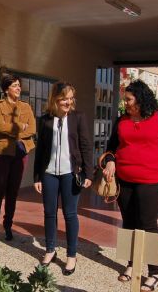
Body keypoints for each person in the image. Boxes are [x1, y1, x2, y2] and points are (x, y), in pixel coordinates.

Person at [103, 80, 158, 291]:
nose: (125, 103)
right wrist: (110, 160)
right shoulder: (122, 120)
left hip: (151, 182)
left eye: (128, 99)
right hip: (124, 181)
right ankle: (131, 264)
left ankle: (155, 272)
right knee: (128, 222)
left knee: (148, 224)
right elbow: (111, 146)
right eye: (125, 99)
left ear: (140, 98)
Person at [33, 82, 93, 276]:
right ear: (55, 100)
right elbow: (40, 151)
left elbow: (86, 146)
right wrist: (37, 176)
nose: (68, 102)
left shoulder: (78, 118)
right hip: (49, 173)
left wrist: (88, 174)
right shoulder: (44, 120)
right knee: (49, 212)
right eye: (64, 98)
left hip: (70, 173)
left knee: (70, 214)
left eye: (70, 98)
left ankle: (71, 255)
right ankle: (50, 250)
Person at [0, 74, 36, 243]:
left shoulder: (26, 107)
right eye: (15, 85)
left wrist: (13, 129)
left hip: (20, 153)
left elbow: (32, 129)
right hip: (0, 153)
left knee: (13, 192)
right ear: (6, 89)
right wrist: (20, 127)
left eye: (19, 86)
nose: (18, 88)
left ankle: (8, 226)